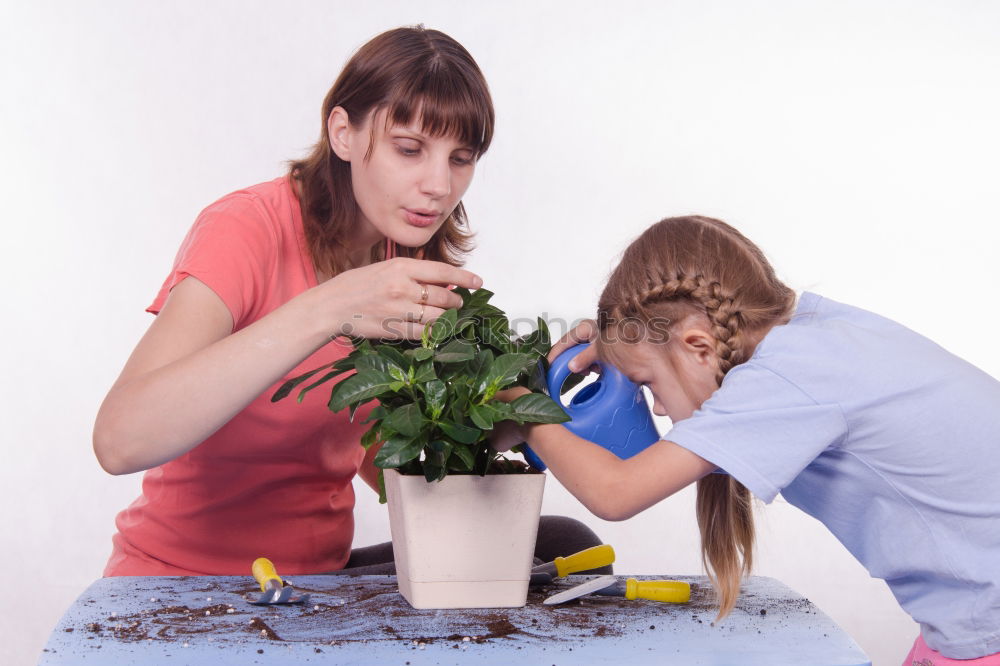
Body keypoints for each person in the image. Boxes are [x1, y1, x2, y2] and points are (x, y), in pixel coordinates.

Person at [94, 26, 608, 579]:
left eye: (460, 158)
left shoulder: (403, 254)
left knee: (559, 545)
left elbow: (400, 456)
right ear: (342, 133)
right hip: (179, 584)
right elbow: (119, 441)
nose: (439, 184)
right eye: (409, 149)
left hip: (316, 586)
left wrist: (538, 386)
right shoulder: (244, 229)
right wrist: (330, 306)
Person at [492, 215, 1000, 664]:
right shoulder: (812, 336)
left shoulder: (783, 382)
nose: (661, 408)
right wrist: (632, 347)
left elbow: (614, 492)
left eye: (650, 386)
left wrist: (523, 407)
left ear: (698, 347)